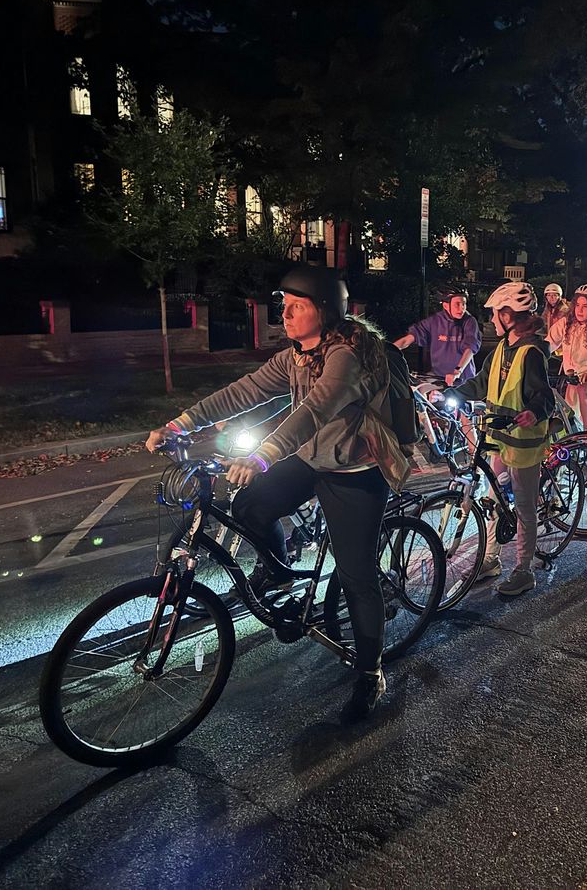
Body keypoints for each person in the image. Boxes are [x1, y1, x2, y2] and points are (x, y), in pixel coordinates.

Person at [145, 265, 405, 721]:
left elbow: (312, 411)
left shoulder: (346, 356)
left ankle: (370, 672)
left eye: (297, 306)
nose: (284, 313)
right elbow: (242, 392)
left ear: (324, 311)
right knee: (248, 505)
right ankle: (281, 577)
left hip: (355, 471)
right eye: (283, 303)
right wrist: (180, 423)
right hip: (310, 460)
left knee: (358, 575)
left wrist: (263, 456)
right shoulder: (296, 355)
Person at [448, 281, 554, 597]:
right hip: (498, 437)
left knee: (523, 508)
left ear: (508, 315)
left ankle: (523, 571)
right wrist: (450, 393)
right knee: (494, 501)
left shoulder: (531, 352)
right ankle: (491, 559)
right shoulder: (502, 348)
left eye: (496, 313)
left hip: (523, 443)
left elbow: (543, 395)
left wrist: (533, 413)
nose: (492, 319)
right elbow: (481, 383)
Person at [548, 284, 587, 430]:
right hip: (574, 376)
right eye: (577, 305)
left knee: (584, 389)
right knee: (569, 416)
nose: (580, 310)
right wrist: (534, 357)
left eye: (585, 306)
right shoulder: (566, 323)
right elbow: (549, 342)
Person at [393, 287, 481, 386]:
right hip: (438, 377)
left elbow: (470, 348)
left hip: (463, 380)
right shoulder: (433, 322)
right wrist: (387, 351)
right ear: (446, 306)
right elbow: (406, 340)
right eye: (457, 304)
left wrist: (457, 371)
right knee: (418, 393)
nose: (462, 308)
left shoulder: (469, 321)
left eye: (464, 304)